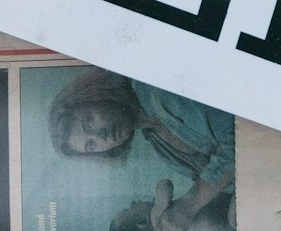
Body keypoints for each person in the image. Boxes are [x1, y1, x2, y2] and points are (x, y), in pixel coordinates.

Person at [46, 70, 229, 176]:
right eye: (91, 145)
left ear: (95, 96)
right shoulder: (160, 147)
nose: (100, 136)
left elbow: (236, 135)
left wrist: (190, 205)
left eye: (89, 122)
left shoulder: (158, 93)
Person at [108, 165, 237, 231]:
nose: (133, 202)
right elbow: (166, 186)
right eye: (130, 208)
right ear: (142, 222)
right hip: (232, 223)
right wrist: (160, 186)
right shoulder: (157, 218)